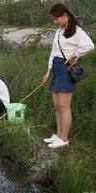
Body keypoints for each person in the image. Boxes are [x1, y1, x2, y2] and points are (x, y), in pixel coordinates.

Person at [43, 3, 94, 148]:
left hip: (66, 68)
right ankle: (58, 136)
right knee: (57, 105)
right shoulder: (59, 31)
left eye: (56, 18)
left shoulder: (77, 30)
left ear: (65, 15)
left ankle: (64, 139)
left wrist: (75, 55)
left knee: (64, 106)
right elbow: (53, 52)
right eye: (53, 19)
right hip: (56, 67)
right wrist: (48, 71)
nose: (54, 22)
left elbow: (90, 46)